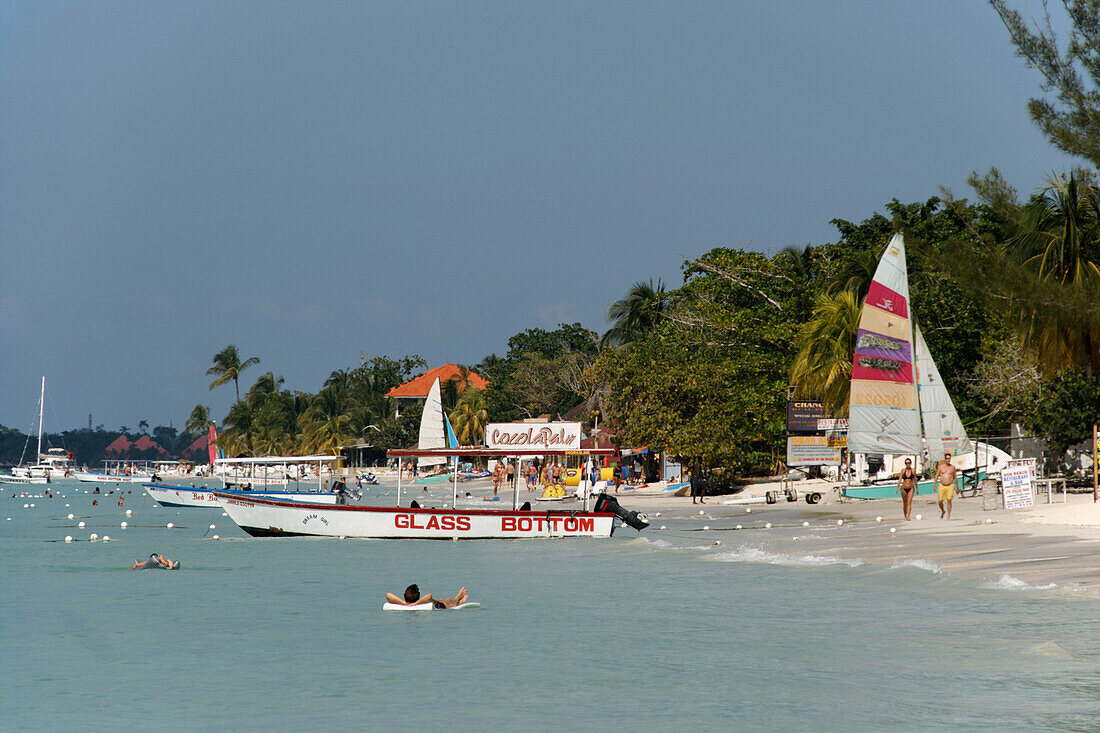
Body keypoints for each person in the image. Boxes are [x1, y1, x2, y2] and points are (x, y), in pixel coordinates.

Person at [936, 451, 958, 520]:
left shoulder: (952, 467)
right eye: (947, 458)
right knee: (940, 501)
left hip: (950, 485)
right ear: (945, 459)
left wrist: (957, 488)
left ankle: (948, 516)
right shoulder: (941, 467)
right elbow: (936, 475)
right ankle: (943, 511)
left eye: (949, 458)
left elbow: (955, 477)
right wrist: (934, 484)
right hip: (942, 485)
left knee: (949, 500)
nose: (948, 460)